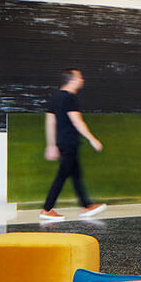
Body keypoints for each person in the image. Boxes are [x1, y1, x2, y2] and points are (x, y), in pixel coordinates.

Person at [41, 69, 106, 223]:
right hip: (69, 142)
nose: (82, 80)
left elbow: (50, 122)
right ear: (72, 80)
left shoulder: (55, 98)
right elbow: (77, 121)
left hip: (62, 142)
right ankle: (47, 209)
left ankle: (86, 205)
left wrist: (51, 145)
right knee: (62, 175)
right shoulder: (70, 98)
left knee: (76, 175)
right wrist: (92, 139)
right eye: (79, 77)